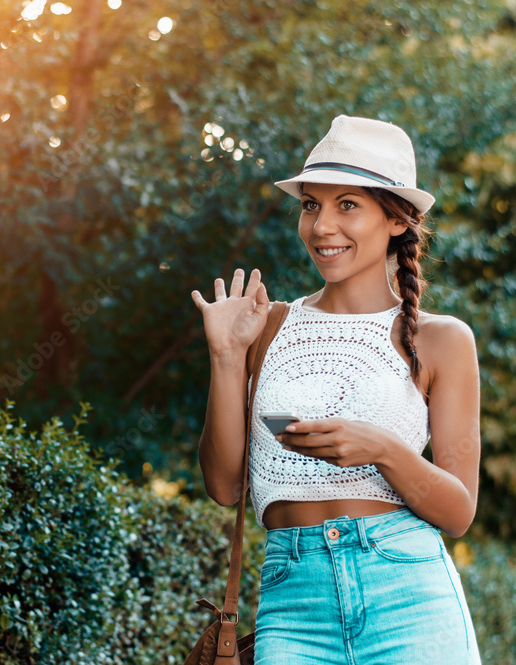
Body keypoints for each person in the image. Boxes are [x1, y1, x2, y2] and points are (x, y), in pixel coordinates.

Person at [190, 115, 482, 664]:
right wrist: (226, 358)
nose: (322, 226)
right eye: (310, 205)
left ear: (396, 220)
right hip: (292, 603)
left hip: (409, 597)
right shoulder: (265, 326)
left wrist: (382, 449)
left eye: (347, 205)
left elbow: (458, 512)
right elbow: (224, 485)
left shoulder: (441, 340)